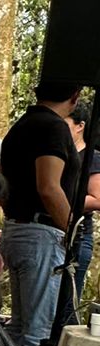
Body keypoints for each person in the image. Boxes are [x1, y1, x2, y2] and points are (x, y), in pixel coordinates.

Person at [0, 77, 81, 346]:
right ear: (75, 97)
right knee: (37, 330)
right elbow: (48, 186)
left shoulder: (20, 126)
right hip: (41, 232)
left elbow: (2, 182)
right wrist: (71, 229)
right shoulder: (53, 127)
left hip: (17, 228)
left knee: (19, 325)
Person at [66, 101, 100, 307]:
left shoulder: (91, 157)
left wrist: (61, 200)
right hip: (57, 233)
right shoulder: (60, 155)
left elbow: (97, 198)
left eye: (65, 123)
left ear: (80, 126)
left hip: (78, 236)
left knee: (68, 302)